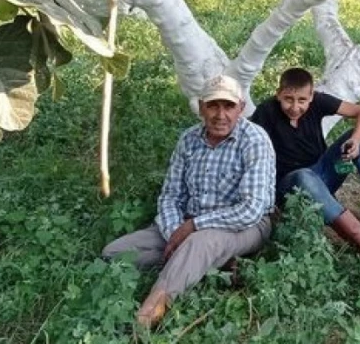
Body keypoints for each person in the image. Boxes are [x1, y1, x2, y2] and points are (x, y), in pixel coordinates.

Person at [102, 75, 275, 329]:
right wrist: (175, 233)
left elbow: (250, 210)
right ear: (201, 107)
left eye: (228, 106)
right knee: (113, 254)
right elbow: (170, 195)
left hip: (246, 226)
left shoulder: (254, 140)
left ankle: (149, 314)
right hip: (187, 224)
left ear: (241, 108)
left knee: (199, 241)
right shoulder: (189, 139)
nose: (220, 115)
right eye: (213, 105)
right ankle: (212, 264)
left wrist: (193, 226)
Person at [250, 68, 360, 250]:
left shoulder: (318, 102)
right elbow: (250, 149)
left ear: (311, 96)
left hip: (322, 177)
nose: (295, 107)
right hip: (289, 190)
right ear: (278, 94)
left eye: (302, 100)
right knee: (304, 175)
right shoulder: (266, 112)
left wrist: (356, 140)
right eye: (288, 99)